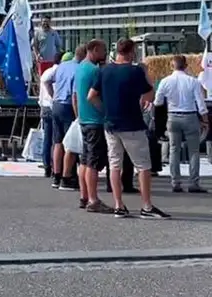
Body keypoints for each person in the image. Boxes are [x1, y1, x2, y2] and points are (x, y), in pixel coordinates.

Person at [88, 38, 169, 219]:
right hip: (132, 123)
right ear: (132, 51)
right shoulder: (135, 72)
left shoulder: (104, 71)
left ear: (117, 50)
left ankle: (119, 205)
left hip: (111, 124)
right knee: (143, 166)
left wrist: (105, 110)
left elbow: (91, 96)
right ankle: (146, 206)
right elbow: (150, 95)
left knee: (114, 164)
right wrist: (145, 72)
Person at [155, 55, 208, 193]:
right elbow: (201, 104)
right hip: (190, 116)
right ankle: (194, 182)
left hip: (173, 117)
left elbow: (158, 102)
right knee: (194, 151)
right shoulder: (193, 81)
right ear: (185, 65)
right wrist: (205, 119)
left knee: (174, 150)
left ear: (172, 66)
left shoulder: (165, 81)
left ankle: (175, 182)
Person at [73, 40, 113, 213]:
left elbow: (76, 95)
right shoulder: (95, 71)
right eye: (103, 51)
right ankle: (93, 199)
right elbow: (94, 96)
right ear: (95, 50)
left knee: (85, 159)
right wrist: (105, 112)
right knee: (93, 163)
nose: (104, 54)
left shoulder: (81, 67)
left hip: (84, 119)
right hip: (95, 120)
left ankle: (84, 196)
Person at [45, 46, 86, 190]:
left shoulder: (62, 66)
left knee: (58, 142)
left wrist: (53, 95)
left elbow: (48, 81)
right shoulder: (79, 68)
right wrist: (78, 116)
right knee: (72, 143)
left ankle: (56, 175)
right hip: (69, 105)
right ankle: (67, 176)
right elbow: (75, 95)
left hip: (56, 104)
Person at [38, 52, 61, 177]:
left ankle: (46, 165)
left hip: (44, 106)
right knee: (56, 139)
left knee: (47, 138)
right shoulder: (58, 73)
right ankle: (55, 166)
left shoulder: (47, 72)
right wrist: (54, 97)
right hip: (53, 106)